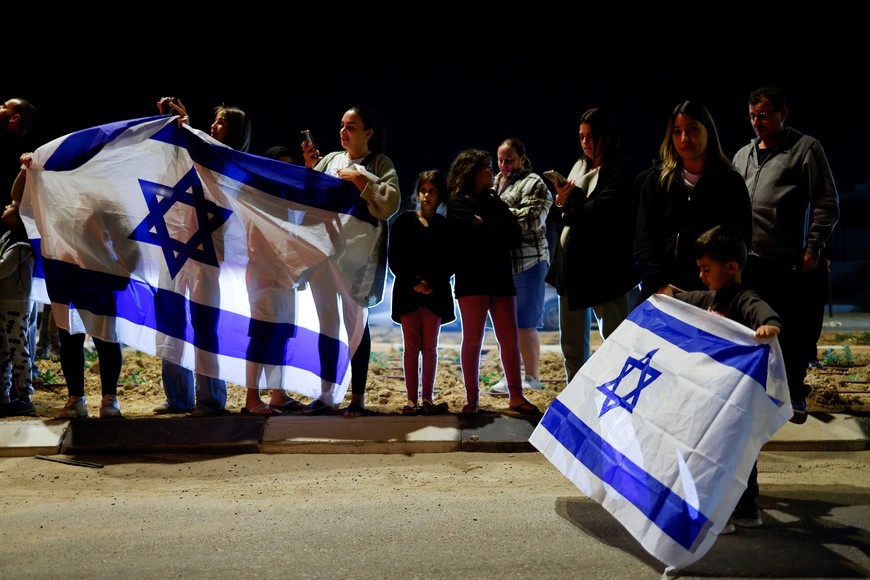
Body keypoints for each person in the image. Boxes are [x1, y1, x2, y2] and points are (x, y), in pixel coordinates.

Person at [732, 87, 840, 425]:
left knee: (791, 334)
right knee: (750, 331)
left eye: (763, 114)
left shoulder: (804, 149)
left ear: (783, 114)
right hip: (748, 261)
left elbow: (826, 202)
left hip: (787, 260)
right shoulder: (742, 156)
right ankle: (753, 396)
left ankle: (794, 395)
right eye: (752, 116)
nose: (757, 122)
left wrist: (813, 246)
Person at [672, 224, 783, 534]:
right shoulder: (713, 296)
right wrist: (671, 296)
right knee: (728, 454)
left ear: (731, 267)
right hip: (714, 395)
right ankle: (743, 510)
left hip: (737, 399)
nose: (701, 275)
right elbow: (691, 297)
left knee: (733, 456)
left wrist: (769, 326)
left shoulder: (742, 298)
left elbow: (762, 311)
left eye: (706, 269)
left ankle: (734, 511)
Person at [153, 98, 251, 417]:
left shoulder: (233, 161)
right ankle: (177, 396)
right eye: (214, 121)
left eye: (221, 122)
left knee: (204, 322)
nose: (214, 126)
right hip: (176, 245)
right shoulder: (196, 148)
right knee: (171, 320)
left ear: (234, 130)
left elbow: (214, 168)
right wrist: (173, 127)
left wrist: (190, 130)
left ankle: (210, 399)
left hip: (209, 251)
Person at [301, 105, 400, 417]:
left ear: (368, 132)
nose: (344, 132)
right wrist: (309, 166)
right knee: (327, 326)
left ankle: (357, 399)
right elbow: (308, 195)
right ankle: (326, 395)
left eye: (352, 126)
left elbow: (390, 203)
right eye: (342, 125)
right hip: (325, 256)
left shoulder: (379, 163)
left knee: (356, 327)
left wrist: (360, 181)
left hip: (359, 260)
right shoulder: (330, 160)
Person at [545, 108, 640, 383]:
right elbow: (558, 215)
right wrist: (562, 201)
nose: (585, 142)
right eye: (581, 136)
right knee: (572, 341)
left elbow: (605, 208)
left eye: (590, 136)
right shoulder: (580, 168)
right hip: (572, 264)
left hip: (605, 266)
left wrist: (570, 207)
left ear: (605, 136)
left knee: (614, 333)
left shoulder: (619, 168)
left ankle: (621, 387)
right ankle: (576, 391)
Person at [445, 148, 539, 416]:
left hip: (500, 278)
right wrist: (489, 229)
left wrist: (486, 227)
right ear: (473, 172)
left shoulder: (492, 200)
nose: (491, 172)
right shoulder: (458, 203)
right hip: (472, 280)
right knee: (473, 340)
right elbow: (475, 234)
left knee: (509, 340)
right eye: (486, 167)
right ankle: (472, 399)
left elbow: (514, 234)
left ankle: (516, 396)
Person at [634, 100, 752, 303]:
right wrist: (659, 284)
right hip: (663, 293)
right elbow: (644, 241)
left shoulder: (730, 183)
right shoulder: (656, 181)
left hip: (713, 296)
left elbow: (740, 241)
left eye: (692, 129)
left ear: (709, 131)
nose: (684, 138)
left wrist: (720, 287)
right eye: (677, 131)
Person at [239, 143, 308, 415]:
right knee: (261, 334)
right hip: (263, 276)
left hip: (285, 276)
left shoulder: (288, 197)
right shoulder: (255, 195)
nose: (286, 171)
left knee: (280, 335)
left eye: (291, 166)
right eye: (281, 165)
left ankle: (279, 394)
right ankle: (252, 398)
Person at [488, 138, 552, 396]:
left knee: (526, 323)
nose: (504, 165)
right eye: (501, 160)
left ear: (523, 158)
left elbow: (533, 220)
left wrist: (499, 213)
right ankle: (510, 376)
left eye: (509, 160)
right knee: (507, 325)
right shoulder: (496, 182)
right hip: (503, 263)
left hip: (530, 261)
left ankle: (532, 377)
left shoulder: (534, 183)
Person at [388, 169, 454, 415]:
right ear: (417, 193)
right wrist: (414, 282)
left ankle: (427, 398)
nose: (427, 195)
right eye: (423, 191)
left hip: (434, 295)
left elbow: (449, 260)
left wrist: (431, 284)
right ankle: (410, 400)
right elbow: (395, 257)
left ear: (440, 195)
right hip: (407, 293)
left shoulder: (444, 226)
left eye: (432, 191)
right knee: (411, 348)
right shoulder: (404, 222)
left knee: (430, 349)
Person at [0, 200, 35, 417]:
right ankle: (3, 396)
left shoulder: (22, 245)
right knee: (3, 352)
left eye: (11, 205)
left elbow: (3, 268)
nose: (6, 206)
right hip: (4, 303)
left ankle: (25, 396)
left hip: (15, 305)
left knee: (17, 349)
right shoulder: (8, 238)